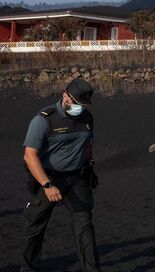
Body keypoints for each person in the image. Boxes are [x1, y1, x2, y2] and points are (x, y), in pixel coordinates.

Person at [21, 78, 101, 272]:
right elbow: (29, 156)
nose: (79, 108)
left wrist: (89, 166)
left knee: (84, 227)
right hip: (48, 179)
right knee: (35, 226)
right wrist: (47, 185)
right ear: (66, 96)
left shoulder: (87, 118)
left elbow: (87, 145)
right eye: (77, 104)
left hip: (77, 179)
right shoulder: (43, 119)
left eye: (83, 105)